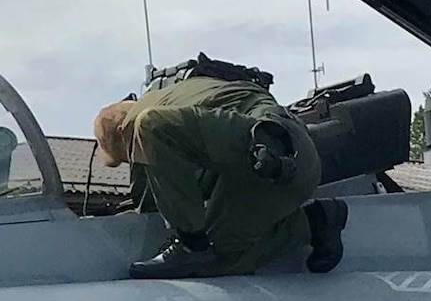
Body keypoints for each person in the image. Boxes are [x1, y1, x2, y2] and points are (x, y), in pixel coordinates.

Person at [92, 56, 345, 278]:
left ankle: (190, 245)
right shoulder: (180, 94)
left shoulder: (140, 123)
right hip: (292, 154)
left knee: (150, 126)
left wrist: (185, 233)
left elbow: (148, 204)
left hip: (268, 151)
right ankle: (316, 221)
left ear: (121, 136)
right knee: (225, 256)